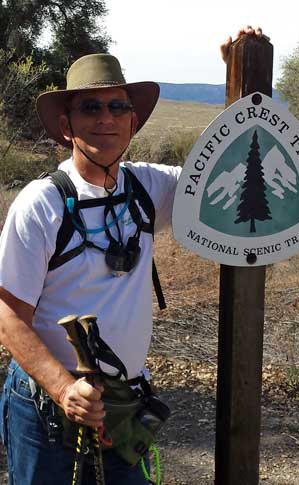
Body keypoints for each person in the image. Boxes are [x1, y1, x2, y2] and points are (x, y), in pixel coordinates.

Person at [0, 26, 264, 485]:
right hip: (46, 405)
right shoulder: (40, 203)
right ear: (67, 126)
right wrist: (65, 390)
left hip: (124, 403)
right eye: (91, 107)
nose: (106, 117)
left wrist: (236, 78)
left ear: (133, 121)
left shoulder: (150, 186)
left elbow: (229, 170)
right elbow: (7, 313)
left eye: (118, 106)